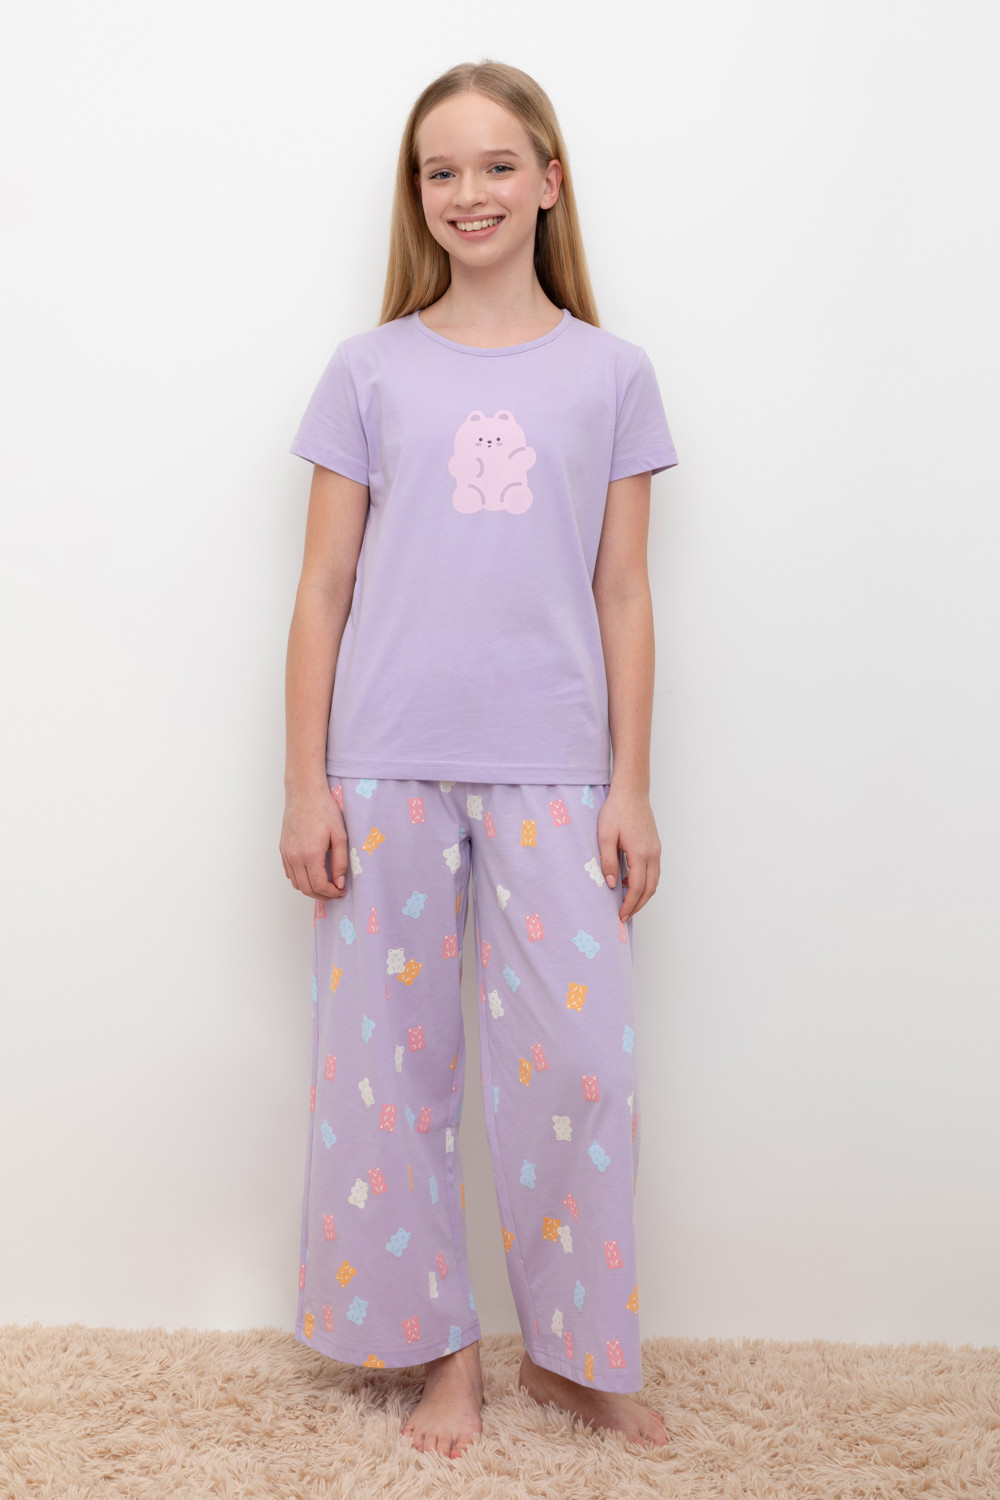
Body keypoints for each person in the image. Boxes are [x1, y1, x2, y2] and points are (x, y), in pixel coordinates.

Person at [279, 58, 678, 1460]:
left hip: (556, 768)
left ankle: (577, 1356)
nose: (469, 192)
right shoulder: (370, 369)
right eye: (440, 170)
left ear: (549, 181)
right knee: (394, 1073)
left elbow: (623, 591)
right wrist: (305, 785)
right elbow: (323, 588)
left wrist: (631, 785)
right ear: (418, 195)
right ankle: (442, 1354)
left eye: (498, 165)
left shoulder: (611, 374)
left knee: (582, 1067)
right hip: (385, 764)